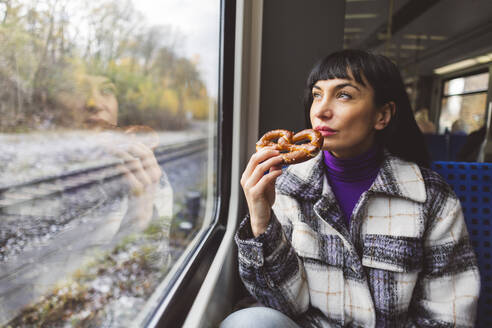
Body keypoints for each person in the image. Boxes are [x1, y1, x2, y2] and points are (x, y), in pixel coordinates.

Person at [221, 50, 480, 327]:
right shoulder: (287, 186)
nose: (320, 110)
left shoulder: (432, 197)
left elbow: (450, 315)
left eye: (343, 94)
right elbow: (283, 304)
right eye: (317, 94)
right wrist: (261, 220)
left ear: (382, 115)